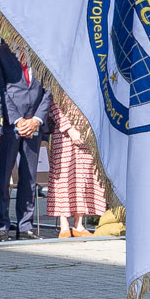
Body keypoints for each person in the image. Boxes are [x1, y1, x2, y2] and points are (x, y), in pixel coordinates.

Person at [0, 36, 46, 238]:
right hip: (10, 125)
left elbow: (49, 90)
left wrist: (37, 119)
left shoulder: (41, 50)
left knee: (29, 176)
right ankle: (2, 226)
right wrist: (17, 120)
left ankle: (25, 225)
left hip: (34, 124)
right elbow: (0, 90)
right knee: (3, 176)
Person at [45, 90, 104, 238]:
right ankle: (64, 226)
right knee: (63, 177)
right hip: (64, 135)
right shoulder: (60, 79)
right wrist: (69, 129)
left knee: (83, 178)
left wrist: (90, 128)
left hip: (86, 133)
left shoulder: (89, 80)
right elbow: (53, 105)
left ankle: (79, 224)